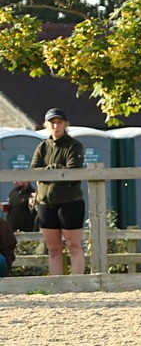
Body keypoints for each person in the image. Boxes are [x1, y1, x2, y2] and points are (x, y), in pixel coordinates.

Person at [29, 108, 86, 275]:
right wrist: (55, 170)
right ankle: (56, 284)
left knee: (74, 245)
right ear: (47, 125)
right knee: (53, 249)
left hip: (70, 202)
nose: (56, 125)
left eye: (59, 122)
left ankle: (77, 282)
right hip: (46, 202)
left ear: (65, 124)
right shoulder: (42, 147)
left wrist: (45, 173)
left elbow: (72, 172)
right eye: (52, 122)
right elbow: (33, 170)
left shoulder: (74, 145)